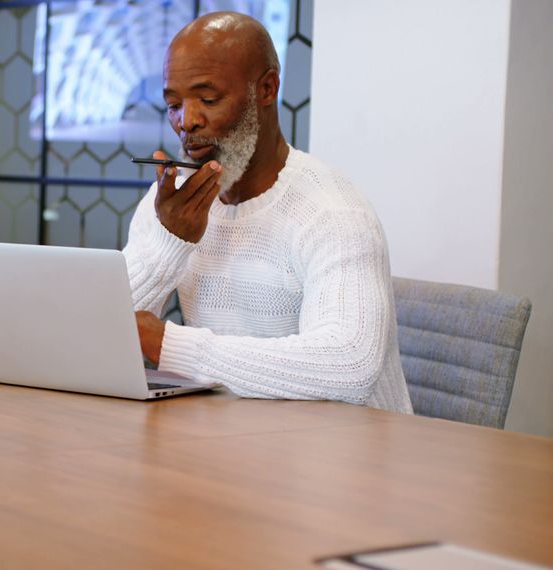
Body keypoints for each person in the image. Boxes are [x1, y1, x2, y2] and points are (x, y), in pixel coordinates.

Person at [124, 12, 412, 413]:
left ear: (267, 89)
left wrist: (169, 345)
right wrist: (168, 242)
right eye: (174, 105)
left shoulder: (333, 210)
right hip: (234, 440)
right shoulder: (172, 201)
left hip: (347, 456)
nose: (186, 122)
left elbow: (349, 364)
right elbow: (103, 337)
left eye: (208, 100)